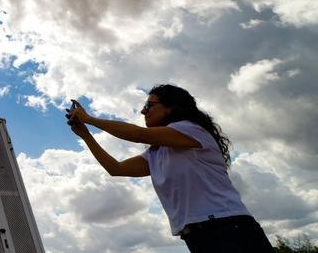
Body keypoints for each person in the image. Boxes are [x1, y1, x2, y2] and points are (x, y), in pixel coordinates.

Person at [65, 84, 273, 253]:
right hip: (197, 235)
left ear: (171, 107)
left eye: (149, 106)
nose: (143, 111)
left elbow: (138, 135)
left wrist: (90, 119)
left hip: (229, 228)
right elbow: (116, 168)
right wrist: (86, 135)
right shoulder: (156, 153)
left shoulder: (192, 130)